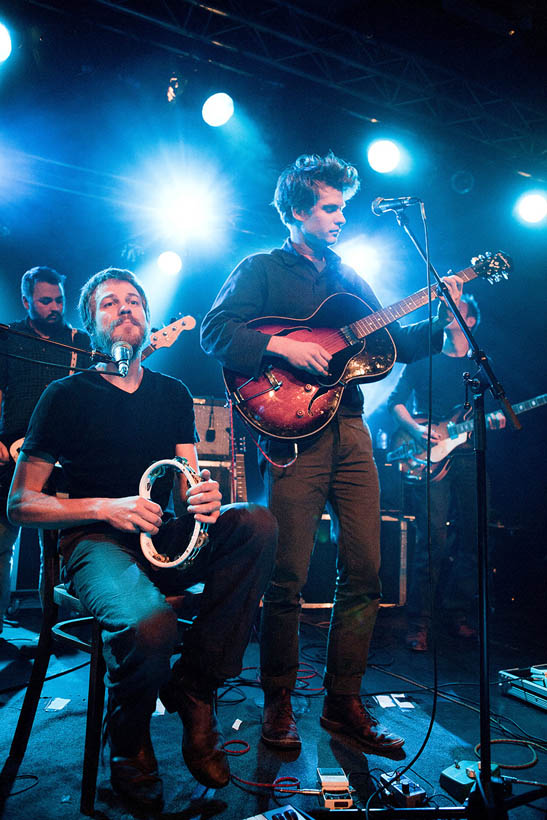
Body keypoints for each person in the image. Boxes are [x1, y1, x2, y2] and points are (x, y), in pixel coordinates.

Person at [200, 152, 463, 754]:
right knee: (287, 575)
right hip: (292, 435)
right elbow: (216, 331)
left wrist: (441, 315)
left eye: (342, 207)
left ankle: (344, 702)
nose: (341, 217)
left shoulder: (350, 277)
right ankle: (278, 704)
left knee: (365, 571)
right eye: (330, 207)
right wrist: (286, 348)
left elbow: (388, 347)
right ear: (297, 211)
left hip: (351, 430)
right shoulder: (261, 268)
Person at [7, 267, 277, 810]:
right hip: (92, 542)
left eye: (134, 301)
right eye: (110, 303)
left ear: (148, 318)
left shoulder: (173, 393)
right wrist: (108, 507)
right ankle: (128, 741)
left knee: (257, 525)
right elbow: (21, 503)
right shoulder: (65, 395)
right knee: (150, 624)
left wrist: (203, 500)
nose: (125, 309)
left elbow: (187, 481)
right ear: (91, 323)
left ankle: (196, 686)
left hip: (165, 534)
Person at [387, 294, 505, 651]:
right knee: (432, 538)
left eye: (458, 310)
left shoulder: (480, 367)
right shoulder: (424, 359)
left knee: (475, 536)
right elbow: (394, 402)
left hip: (468, 457)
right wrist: (414, 428)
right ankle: (418, 623)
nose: (448, 313)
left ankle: (455, 613)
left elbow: (492, 411)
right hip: (431, 457)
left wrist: (494, 422)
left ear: (470, 322)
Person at [0, 266, 91, 642]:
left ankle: (51, 633)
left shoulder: (78, 342)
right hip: (10, 451)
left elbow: (92, 396)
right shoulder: (8, 337)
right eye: (45, 300)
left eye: (59, 300)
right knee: (1, 543)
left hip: (60, 458)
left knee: (53, 552)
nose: (55, 307)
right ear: (26, 301)